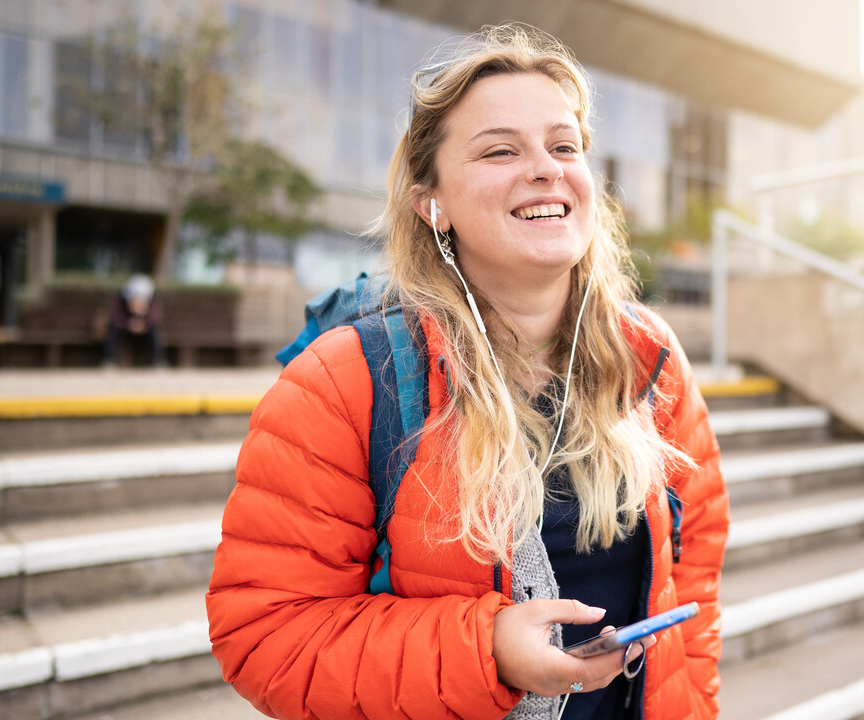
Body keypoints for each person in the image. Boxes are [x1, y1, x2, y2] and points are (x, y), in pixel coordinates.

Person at [206, 24, 728, 720]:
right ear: (434, 204)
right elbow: (267, 637)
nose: (546, 168)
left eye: (564, 145)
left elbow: (692, 609)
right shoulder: (345, 382)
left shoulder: (651, 361)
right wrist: (488, 653)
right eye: (501, 150)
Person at [104, 273, 165, 367]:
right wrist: (128, 323)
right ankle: (110, 361)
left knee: (155, 332)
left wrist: (144, 323)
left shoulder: (152, 301)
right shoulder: (120, 300)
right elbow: (115, 317)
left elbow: (154, 318)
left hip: (145, 330)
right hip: (124, 329)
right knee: (113, 330)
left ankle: (158, 362)